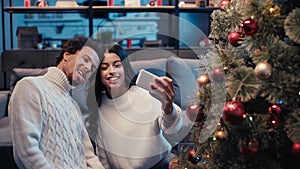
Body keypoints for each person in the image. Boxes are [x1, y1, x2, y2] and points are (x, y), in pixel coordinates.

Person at [8, 36, 105, 169]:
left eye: (93, 68)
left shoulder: (74, 105)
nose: (88, 68)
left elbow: (89, 155)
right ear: (67, 55)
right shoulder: (30, 87)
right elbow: (27, 153)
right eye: (85, 59)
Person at [86, 44, 183, 169]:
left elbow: (173, 127)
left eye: (117, 65)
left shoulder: (144, 94)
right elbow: (103, 153)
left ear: (125, 67)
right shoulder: (99, 106)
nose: (111, 71)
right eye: (104, 68)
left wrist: (169, 108)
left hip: (160, 165)